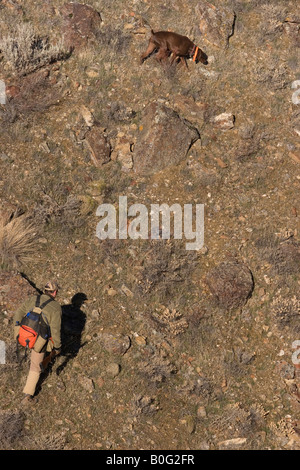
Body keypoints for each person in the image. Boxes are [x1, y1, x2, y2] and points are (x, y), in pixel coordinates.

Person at [14, 281, 62, 404]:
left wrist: (17, 329)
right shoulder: (56, 308)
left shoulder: (33, 298)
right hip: (39, 341)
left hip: (24, 335)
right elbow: (55, 331)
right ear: (55, 292)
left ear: (45, 290)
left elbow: (19, 312)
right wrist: (57, 347)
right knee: (35, 367)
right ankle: (27, 397)